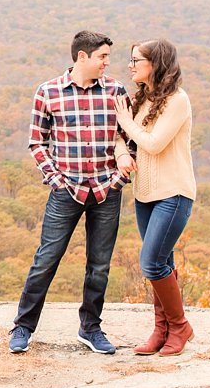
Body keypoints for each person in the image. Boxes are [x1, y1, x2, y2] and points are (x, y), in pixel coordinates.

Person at [10, 30, 136, 355]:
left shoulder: (116, 91)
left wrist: (118, 180)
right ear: (83, 57)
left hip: (107, 191)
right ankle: (23, 328)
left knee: (100, 265)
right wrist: (56, 180)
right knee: (46, 259)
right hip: (66, 190)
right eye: (102, 57)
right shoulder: (48, 92)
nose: (107, 63)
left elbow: (130, 136)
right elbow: (37, 142)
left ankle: (90, 328)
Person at [113, 38, 196, 356]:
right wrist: (122, 151)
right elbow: (122, 140)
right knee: (163, 260)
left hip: (173, 193)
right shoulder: (142, 100)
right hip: (145, 194)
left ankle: (180, 326)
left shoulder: (178, 100)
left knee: (151, 263)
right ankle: (162, 330)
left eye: (137, 60)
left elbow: (154, 143)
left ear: (155, 64)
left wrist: (126, 123)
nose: (131, 66)